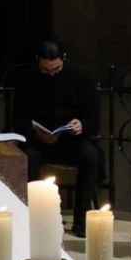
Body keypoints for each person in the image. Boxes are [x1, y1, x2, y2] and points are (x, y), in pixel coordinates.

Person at [13, 38, 101, 237]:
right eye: (46, 71)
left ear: (63, 60)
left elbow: (94, 120)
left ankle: (81, 222)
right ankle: (36, 219)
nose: (51, 74)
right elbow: (18, 119)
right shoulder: (27, 79)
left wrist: (82, 125)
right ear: (38, 63)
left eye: (56, 69)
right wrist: (35, 130)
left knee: (90, 156)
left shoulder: (82, 78)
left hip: (71, 141)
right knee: (29, 158)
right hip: (38, 143)